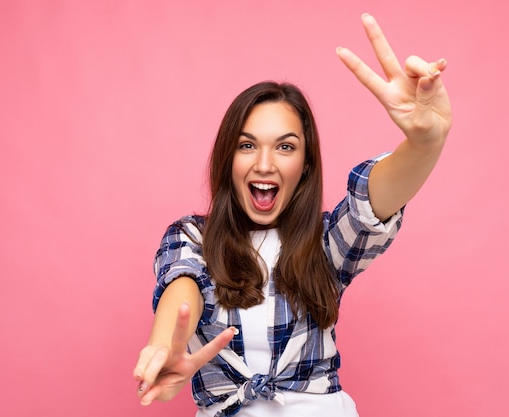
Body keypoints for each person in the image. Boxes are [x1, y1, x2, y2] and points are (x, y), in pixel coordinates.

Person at [133, 13, 451, 417]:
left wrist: (423, 144)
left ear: (305, 164)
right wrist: (165, 346)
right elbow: (182, 284)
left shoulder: (325, 242)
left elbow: (373, 200)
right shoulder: (191, 237)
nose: (265, 164)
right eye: (247, 146)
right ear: (228, 159)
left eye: (285, 147)